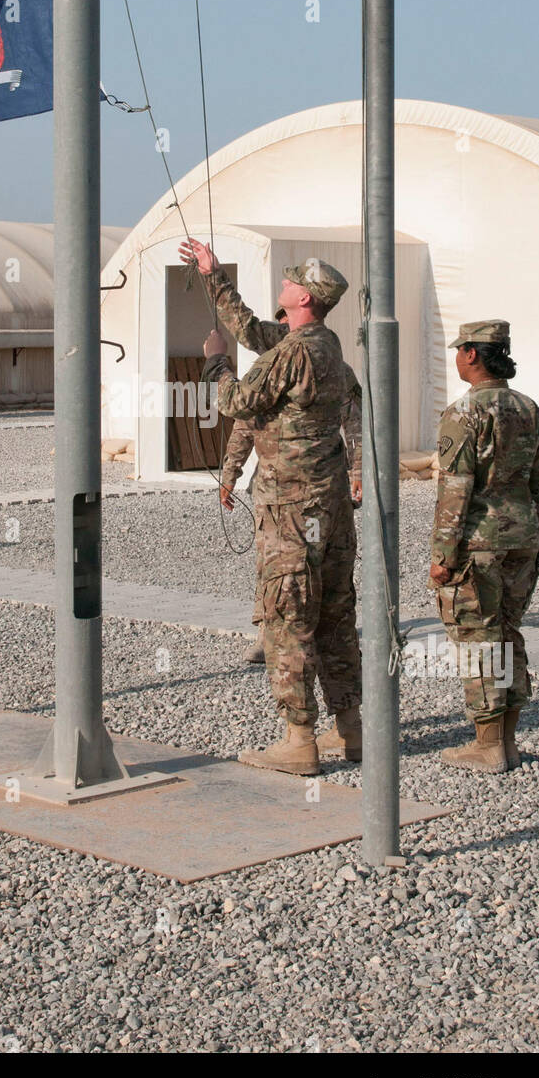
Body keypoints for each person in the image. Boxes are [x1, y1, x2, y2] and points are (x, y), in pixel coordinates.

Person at [180, 238, 362, 776]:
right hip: (327, 505)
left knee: (287, 616)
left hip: (289, 506)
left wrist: (215, 364)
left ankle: (298, 741)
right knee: (333, 612)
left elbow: (239, 403)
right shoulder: (323, 346)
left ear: (302, 297)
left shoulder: (293, 353)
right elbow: (256, 330)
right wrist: (213, 276)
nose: (281, 285)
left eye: (288, 282)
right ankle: (349, 728)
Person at [429, 321, 539, 773]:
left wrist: (443, 555)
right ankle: (508, 741)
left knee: (480, 640)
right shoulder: (529, 408)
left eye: (461, 350)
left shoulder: (464, 412)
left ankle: (488, 745)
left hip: (478, 545)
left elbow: (455, 488)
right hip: (522, 540)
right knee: (508, 635)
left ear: (474, 355)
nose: (458, 357)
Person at [221, 307, 362, 671]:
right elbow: (244, 424)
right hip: (275, 490)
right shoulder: (269, 369)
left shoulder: (335, 369)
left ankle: (312, 631)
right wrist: (230, 471)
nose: (284, 326)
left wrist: (359, 471)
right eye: (280, 322)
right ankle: (268, 631)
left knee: (317, 558)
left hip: (319, 489)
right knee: (272, 562)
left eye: (289, 320)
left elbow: (354, 422)